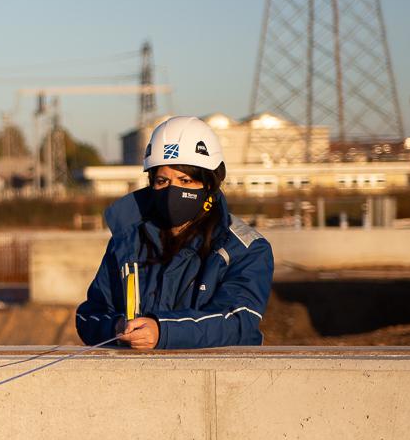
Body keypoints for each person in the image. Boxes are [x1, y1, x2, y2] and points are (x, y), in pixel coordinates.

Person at [76, 116, 273, 350]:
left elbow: (237, 322)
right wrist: (117, 328)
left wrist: (162, 331)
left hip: (221, 382)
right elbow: (89, 315)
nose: (173, 191)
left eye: (185, 180)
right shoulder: (128, 241)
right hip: (139, 381)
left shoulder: (244, 248)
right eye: (162, 180)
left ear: (210, 184)